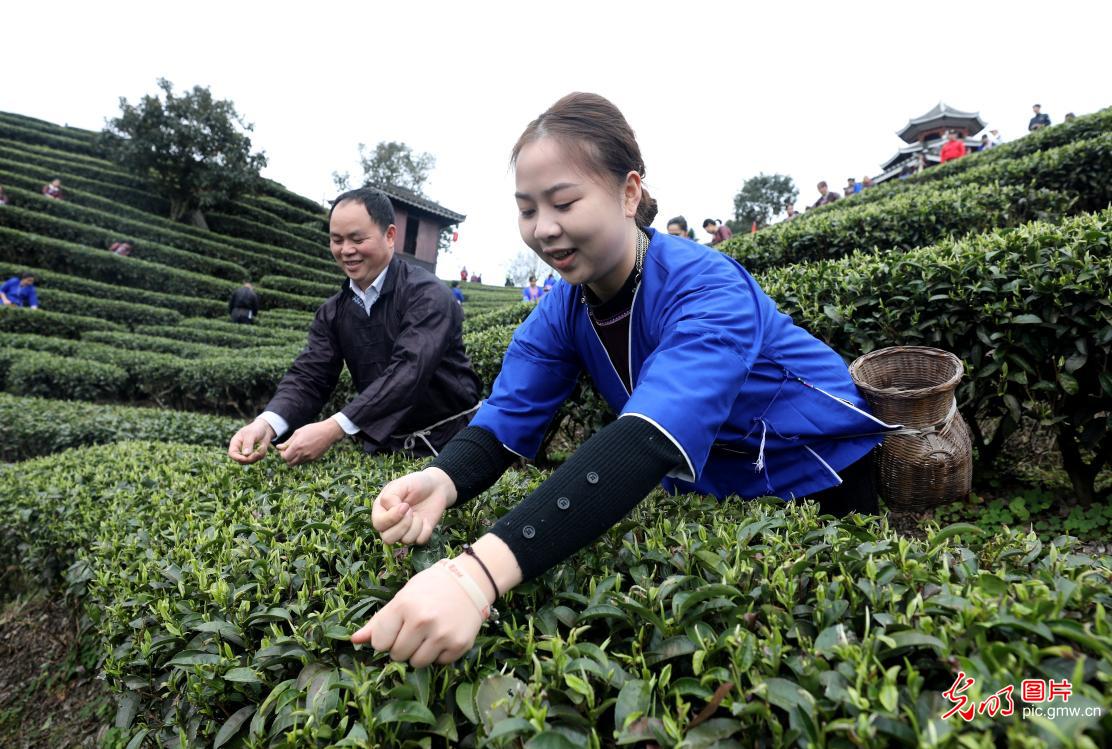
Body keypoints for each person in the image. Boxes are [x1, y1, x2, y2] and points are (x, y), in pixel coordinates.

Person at [352, 92, 895, 667]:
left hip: (821, 473)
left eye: (564, 202)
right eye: (528, 209)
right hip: (714, 483)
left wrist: (475, 575)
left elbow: (652, 431)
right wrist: (442, 480)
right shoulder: (562, 310)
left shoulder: (705, 286)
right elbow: (507, 415)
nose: (545, 229)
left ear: (629, 193)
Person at [227, 187, 482, 468]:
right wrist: (267, 423)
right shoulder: (334, 311)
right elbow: (311, 375)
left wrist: (334, 428)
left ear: (390, 235)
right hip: (387, 447)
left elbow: (409, 371)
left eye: (357, 239)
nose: (346, 250)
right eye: (337, 240)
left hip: (452, 444)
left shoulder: (427, 295)